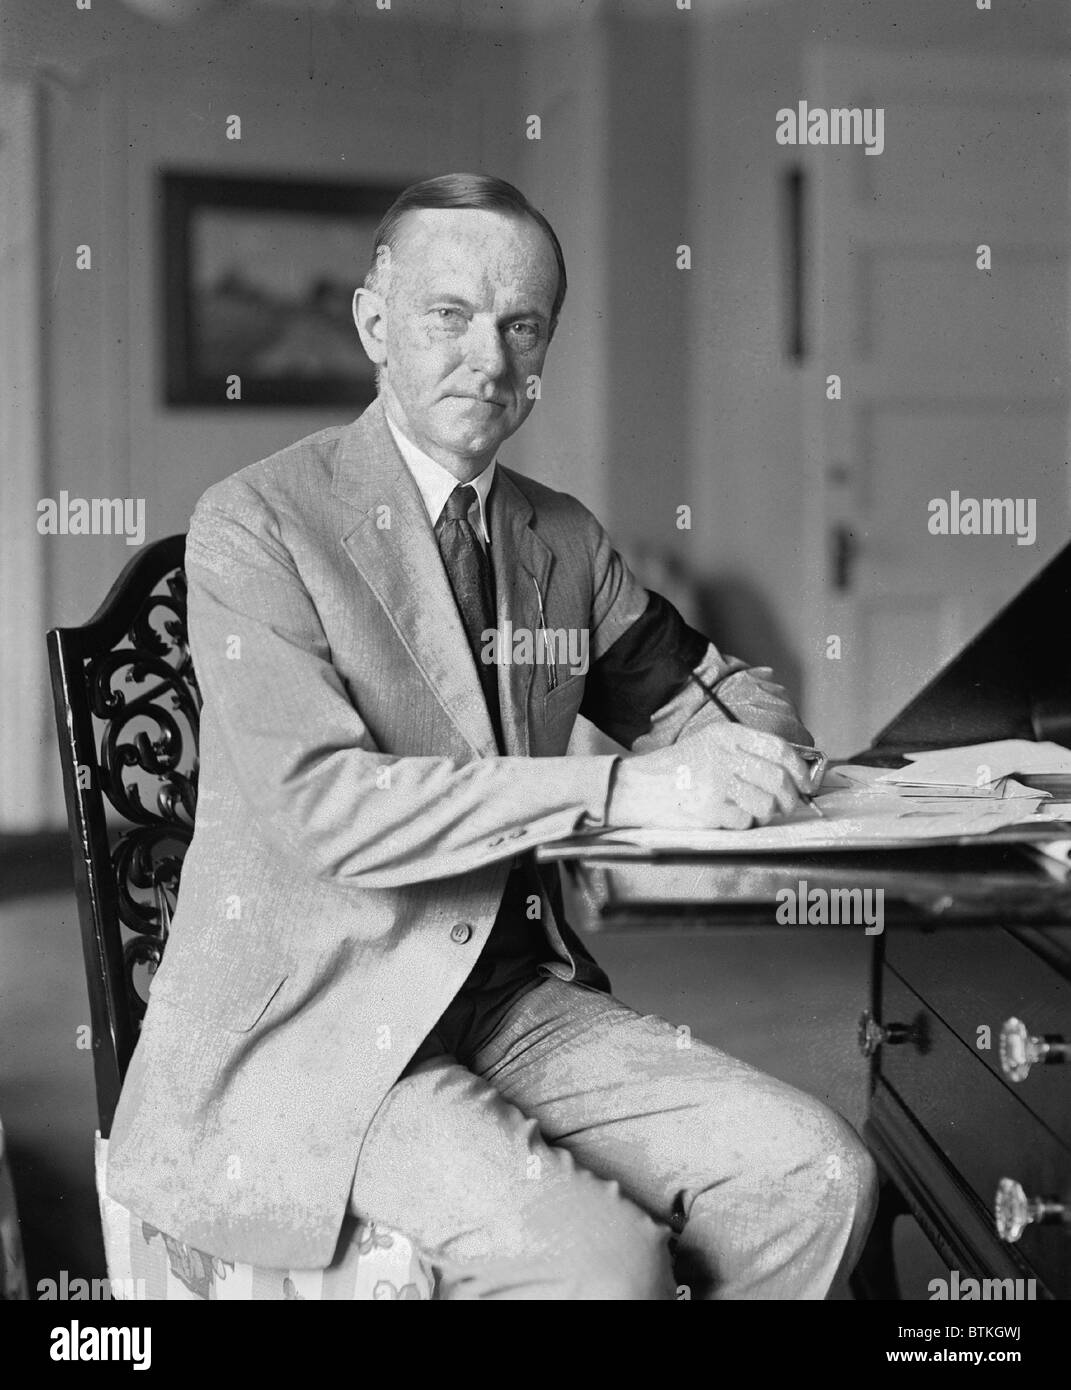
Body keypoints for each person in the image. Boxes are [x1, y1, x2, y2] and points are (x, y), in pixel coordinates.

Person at [108, 173, 876, 1299]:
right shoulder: (257, 521)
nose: (490, 358)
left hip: (513, 998)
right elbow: (325, 808)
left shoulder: (561, 539)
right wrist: (631, 793)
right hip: (323, 1032)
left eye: (523, 326)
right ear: (375, 324)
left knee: (818, 1173)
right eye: (449, 316)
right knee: (603, 1262)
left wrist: (747, 748)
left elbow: (723, 699)